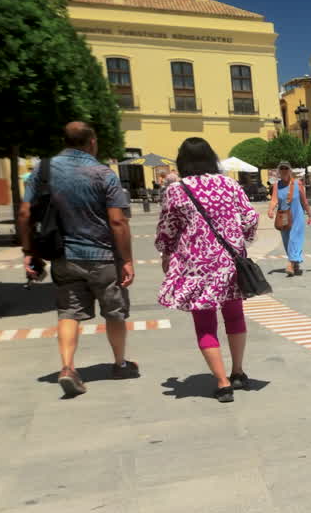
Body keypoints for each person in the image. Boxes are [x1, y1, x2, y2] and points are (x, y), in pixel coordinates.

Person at [18, 121, 137, 398]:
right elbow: (117, 221)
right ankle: (119, 363)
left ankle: (67, 367)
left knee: (69, 312)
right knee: (114, 312)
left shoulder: (42, 170)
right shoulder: (103, 174)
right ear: (92, 141)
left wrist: (28, 252)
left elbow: (25, 213)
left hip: (64, 255)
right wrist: (127, 259)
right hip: (103, 257)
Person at [156, 137, 259, 403]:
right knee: (234, 316)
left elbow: (167, 229)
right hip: (230, 262)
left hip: (196, 266)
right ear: (211, 157)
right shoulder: (229, 184)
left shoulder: (176, 190)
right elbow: (250, 217)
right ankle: (237, 371)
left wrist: (166, 253)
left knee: (205, 323)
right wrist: (241, 237)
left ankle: (222, 382)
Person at [268, 161, 311, 277]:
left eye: (286, 169)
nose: (284, 171)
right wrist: (271, 210)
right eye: (281, 169)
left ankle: (290, 264)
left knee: (294, 239)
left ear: (290, 171)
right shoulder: (277, 186)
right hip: (283, 217)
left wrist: (310, 216)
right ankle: (295, 262)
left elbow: (304, 201)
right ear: (279, 171)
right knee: (287, 241)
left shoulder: (298, 184)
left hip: (297, 216)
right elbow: (274, 200)